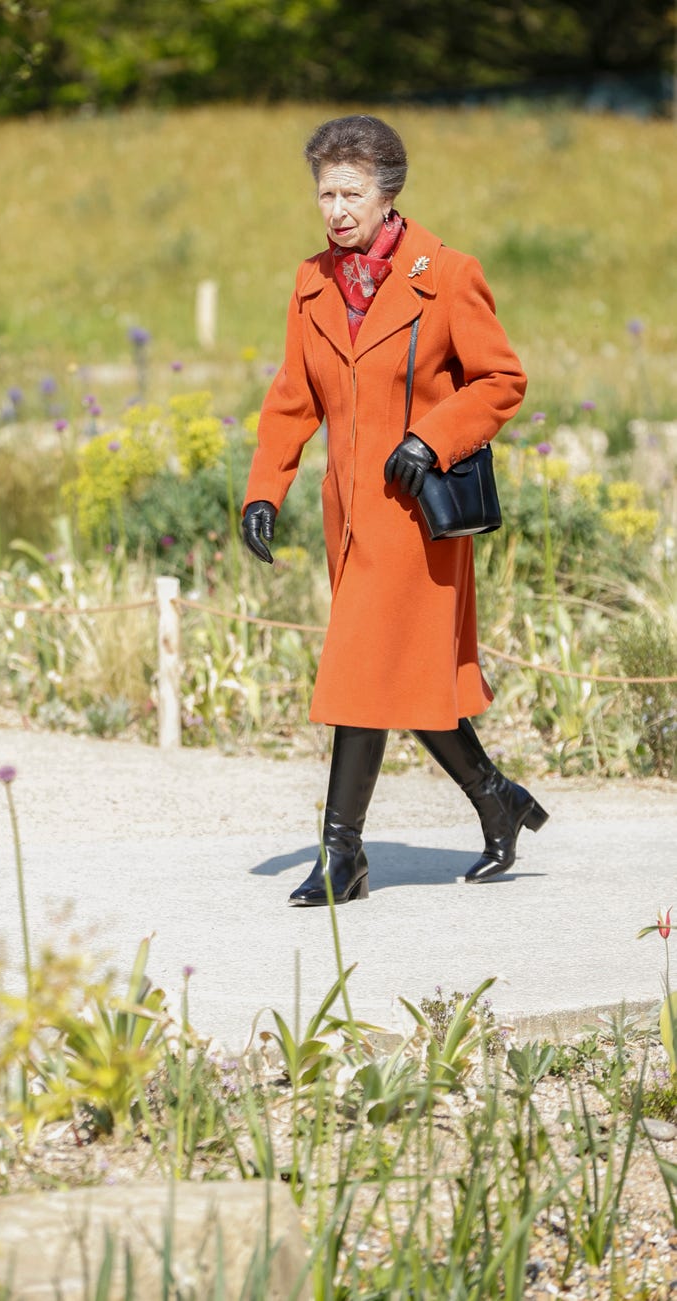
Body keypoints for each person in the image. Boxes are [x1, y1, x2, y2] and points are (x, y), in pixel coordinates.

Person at [241, 114, 548, 907]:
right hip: (350, 520)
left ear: (387, 196)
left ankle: (342, 854)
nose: (337, 209)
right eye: (325, 194)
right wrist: (265, 489)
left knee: (360, 669)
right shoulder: (311, 284)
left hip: (417, 515)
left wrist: (430, 438)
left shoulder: (446, 273)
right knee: (395, 675)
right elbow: (290, 400)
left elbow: (500, 381)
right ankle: (497, 798)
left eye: (352, 193)